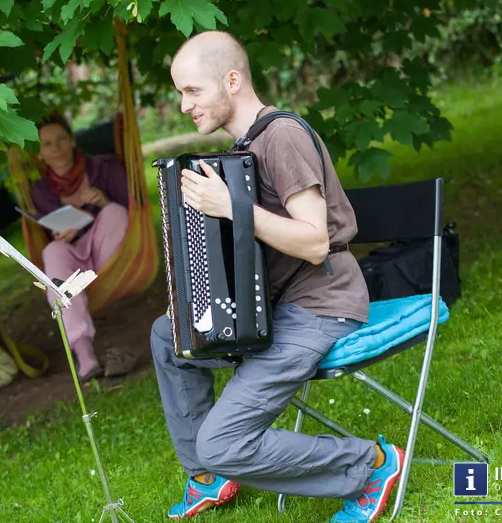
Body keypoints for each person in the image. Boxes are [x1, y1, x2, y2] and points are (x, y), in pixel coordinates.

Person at [149, 31, 404, 523]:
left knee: (224, 440)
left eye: (193, 91)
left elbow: (314, 242)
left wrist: (232, 207)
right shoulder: (246, 147)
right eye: (180, 92)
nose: (184, 105)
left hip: (321, 306)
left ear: (232, 80)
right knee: (170, 335)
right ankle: (209, 473)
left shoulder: (281, 136)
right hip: (276, 305)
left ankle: (368, 465)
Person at [30, 113, 136, 382]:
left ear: (72, 140)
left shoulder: (104, 167)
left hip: (108, 255)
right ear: (40, 154)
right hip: (72, 260)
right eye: (47, 144)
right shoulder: (39, 191)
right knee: (51, 252)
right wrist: (62, 229)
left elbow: (131, 208)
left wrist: (102, 203)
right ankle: (84, 353)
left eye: (61, 139)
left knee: (114, 212)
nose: (56, 148)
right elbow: (48, 230)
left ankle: (103, 279)